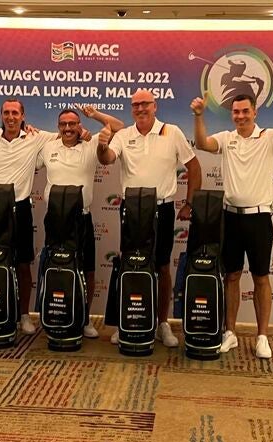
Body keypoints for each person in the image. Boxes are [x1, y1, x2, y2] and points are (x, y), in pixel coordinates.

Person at [190, 85, 273, 359]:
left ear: (255, 112)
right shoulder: (226, 138)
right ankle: (230, 332)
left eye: (245, 111)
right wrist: (199, 116)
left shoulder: (268, 136)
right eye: (236, 112)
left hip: (259, 218)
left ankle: (262, 337)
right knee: (232, 276)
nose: (240, 116)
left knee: (261, 278)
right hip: (230, 217)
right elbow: (202, 144)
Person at [0, 99, 90, 336]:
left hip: (20, 207)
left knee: (23, 264)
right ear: (1, 115)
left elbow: (67, 134)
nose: (10, 117)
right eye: (6, 112)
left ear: (23, 116)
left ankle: (24, 315)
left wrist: (85, 133)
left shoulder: (36, 137)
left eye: (15, 113)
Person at [97, 89, 202, 347]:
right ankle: (126, 320)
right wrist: (102, 145)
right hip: (132, 209)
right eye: (135, 105)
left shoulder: (171, 132)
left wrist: (189, 203)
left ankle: (162, 323)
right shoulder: (123, 135)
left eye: (145, 104)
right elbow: (107, 159)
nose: (140, 109)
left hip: (162, 208)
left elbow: (194, 166)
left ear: (155, 106)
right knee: (130, 263)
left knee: (162, 266)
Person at [36, 106, 124, 338]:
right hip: (54, 219)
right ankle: (54, 314)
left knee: (87, 269)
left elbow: (119, 128)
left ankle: (84, 318)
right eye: (63, 124)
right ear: (58, 127)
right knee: (53, 265)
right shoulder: (48, 147)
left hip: (81, 218)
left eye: (72, 124)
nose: (68, 128)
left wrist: (95, 116)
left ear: (79, 126)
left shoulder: (91, 144)